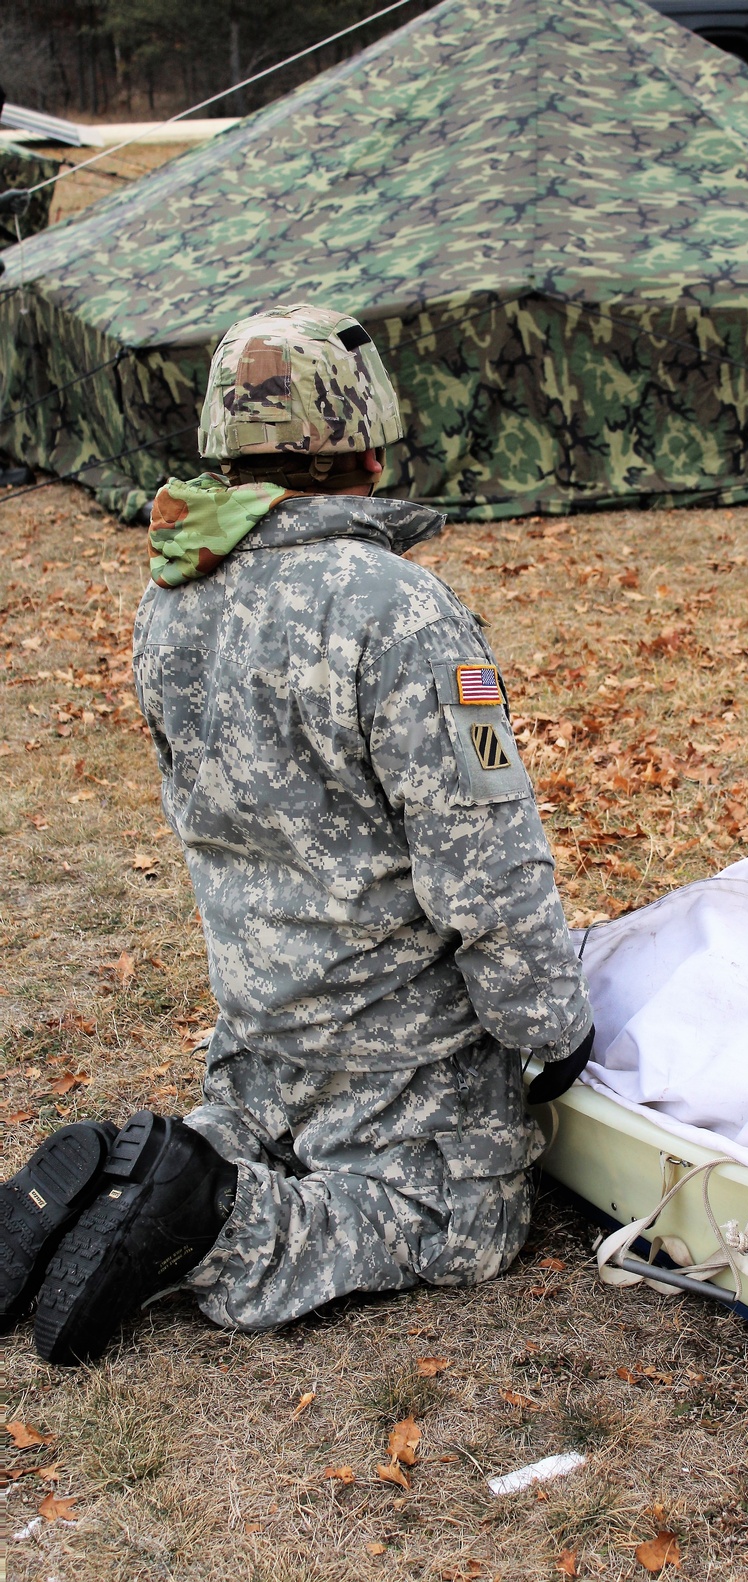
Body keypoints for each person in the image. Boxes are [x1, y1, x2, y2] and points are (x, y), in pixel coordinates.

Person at [0, 303, 594, 1365]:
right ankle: (218, 1227)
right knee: (465, 1224)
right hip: (398, 1048)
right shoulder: (402, 610)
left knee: (263, 1135)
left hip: (262, 1028)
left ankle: (130, 1180)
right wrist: (549, 1029)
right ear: (363, 438)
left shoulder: (172, 597)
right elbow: (485, 854)